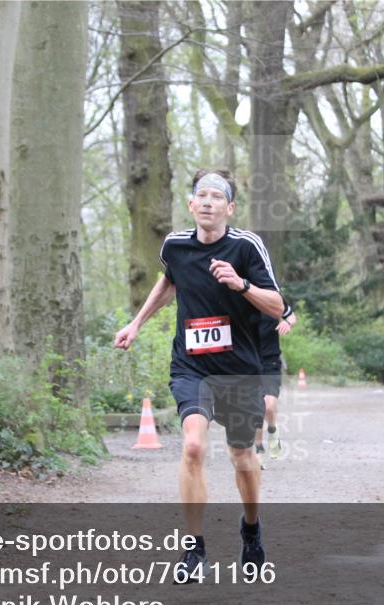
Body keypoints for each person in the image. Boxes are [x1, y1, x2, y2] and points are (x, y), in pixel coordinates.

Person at [113, 169, 284, 583]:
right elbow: (168, 282)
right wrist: (136, 323)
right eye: (201, 196)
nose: (208, 202)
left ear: (230, 208)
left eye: (216, 196)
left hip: (239, 370)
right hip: (192, 366)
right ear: (191, 205)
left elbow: (277, 306)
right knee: (192, 446)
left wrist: (241, 285)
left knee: (242, 457)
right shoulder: (174, 246)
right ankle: (194, 549)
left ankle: (251, 530)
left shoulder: (246, 247)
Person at [254, 307, 297, 470]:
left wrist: (287, 323)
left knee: (269, 407)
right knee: (257, 408)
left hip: (270, 361)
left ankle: (272, 430)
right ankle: (258, 450)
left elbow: (291, 316)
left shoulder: (272, 298)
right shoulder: (240, 299)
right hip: (249, 362)